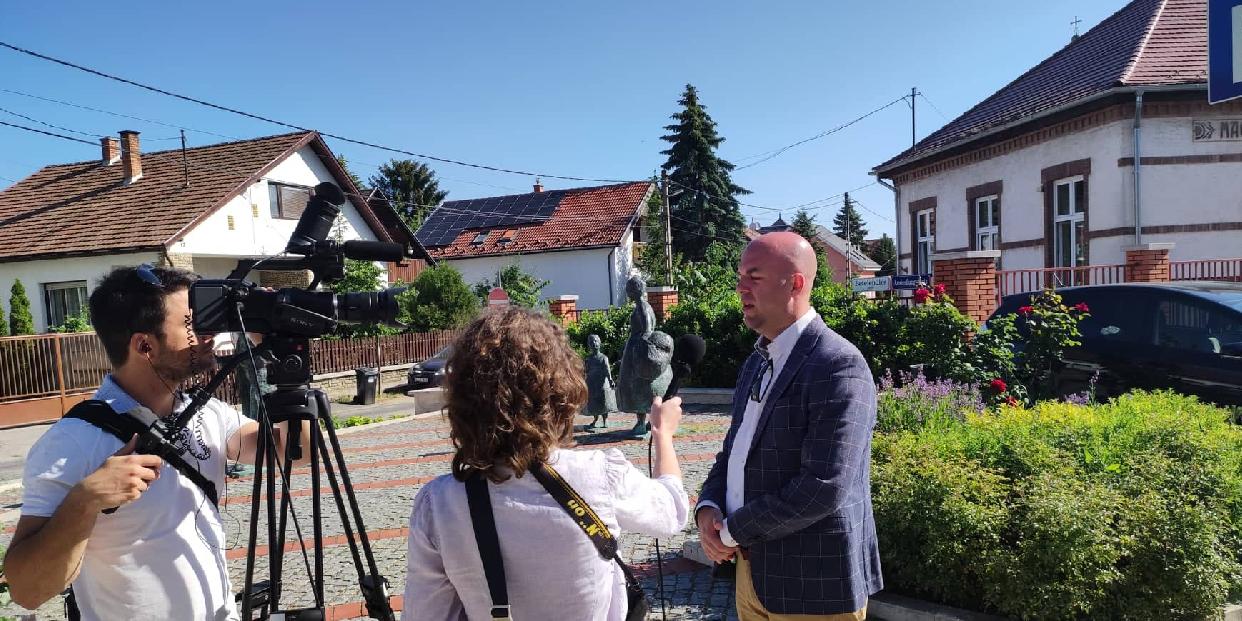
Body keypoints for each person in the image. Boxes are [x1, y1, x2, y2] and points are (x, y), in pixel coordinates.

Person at [3, 265, 308, 620]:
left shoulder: (207, 411)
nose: (210, 334)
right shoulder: (71, 443)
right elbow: (26, 591)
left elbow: (292, 451)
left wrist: (288, 361)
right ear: (145, 344)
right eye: (192, 325)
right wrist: (84, 502)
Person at [403, 307, 689, 620]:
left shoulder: (439, 503)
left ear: (463, 399)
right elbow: (672, 511)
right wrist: (663, 435)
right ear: (561, 389)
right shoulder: (599, 473)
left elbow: (425, 614)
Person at [695, 232, 883, 620]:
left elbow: (824, 486)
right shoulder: (756, 362)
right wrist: (707, 507)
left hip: (815, 588)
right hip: (754, 576)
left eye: (755, 277)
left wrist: (731, 531)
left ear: (796, 283)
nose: (741, 287)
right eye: (741, 276)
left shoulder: (838, 364)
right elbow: (734, 451)